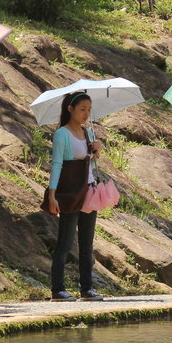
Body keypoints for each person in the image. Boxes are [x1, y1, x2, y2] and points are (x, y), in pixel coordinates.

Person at [46, 91, 103, 302]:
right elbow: (57, 164)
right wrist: (52, 195)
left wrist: (97, 150)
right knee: (65, 242)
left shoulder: (88, 133)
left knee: (87, 243)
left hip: (89, 191)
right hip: (70, 193)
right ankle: (57, 289)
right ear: (70, 109)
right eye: (82, 109)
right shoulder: (62, 134)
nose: (86, 114)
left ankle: (87, 289)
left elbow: (91, 163)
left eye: (89, 110)